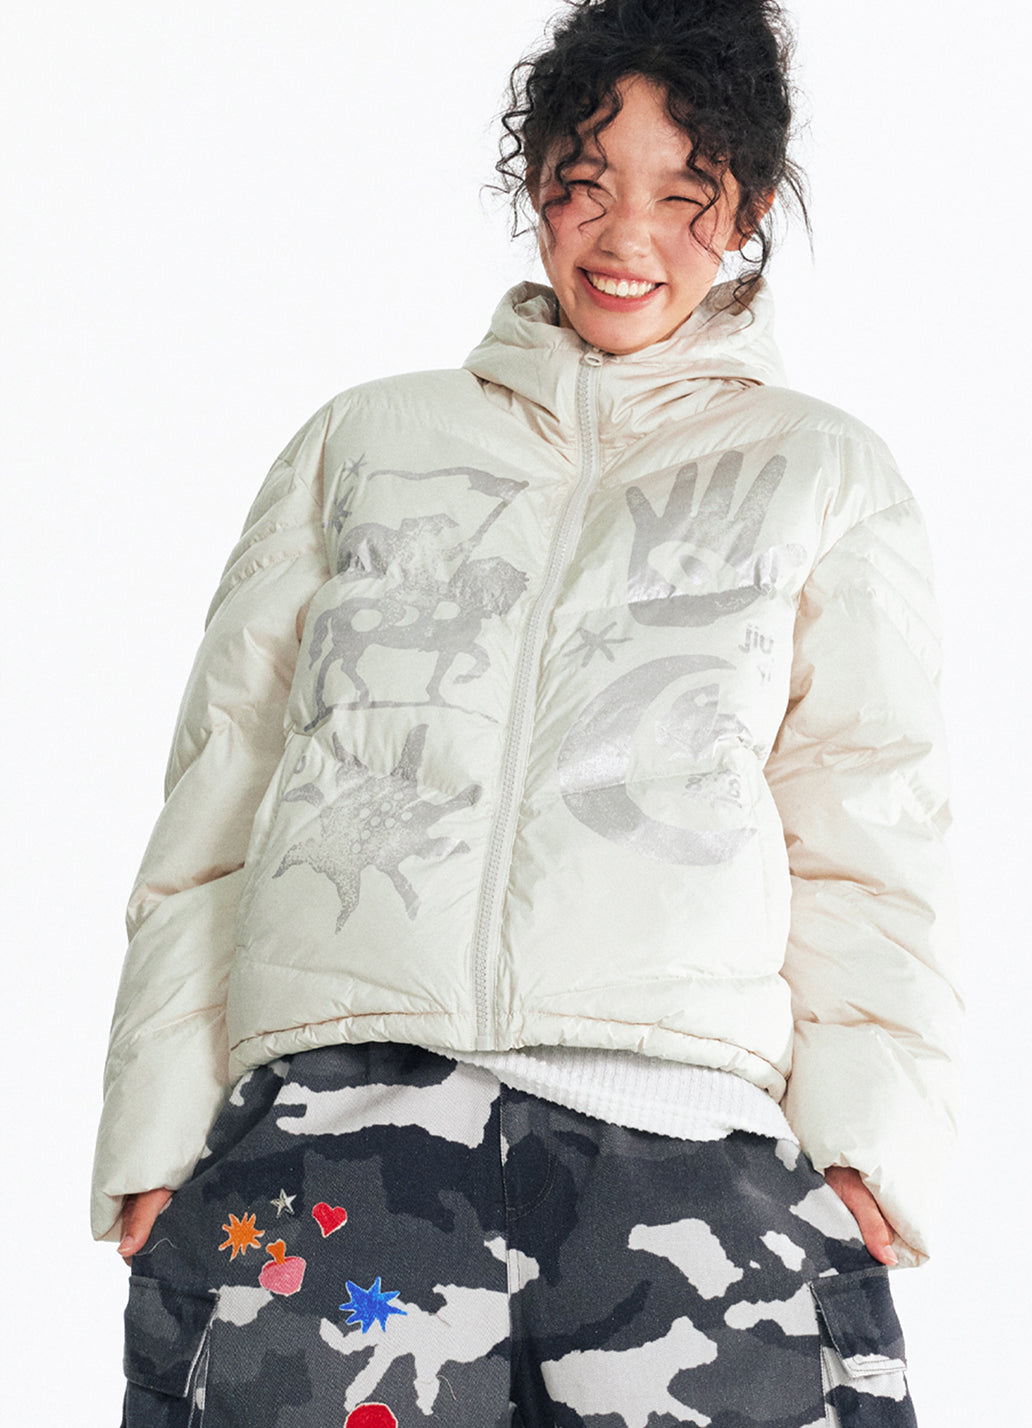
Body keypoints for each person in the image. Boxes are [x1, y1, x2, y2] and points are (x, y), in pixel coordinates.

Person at [95, 1, 962, 1424]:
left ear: (748, 208)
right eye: (586, 185)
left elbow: (869, 824)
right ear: (536, 182)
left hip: (685, 1149)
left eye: (686, 197)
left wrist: (872, 1140)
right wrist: (155, 1119)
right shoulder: (364, 441)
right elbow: (221, 793)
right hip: (337, 1129)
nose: (627, 240)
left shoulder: (822, 472)